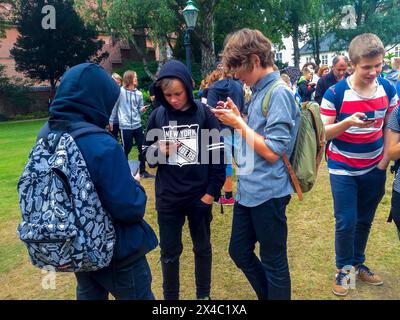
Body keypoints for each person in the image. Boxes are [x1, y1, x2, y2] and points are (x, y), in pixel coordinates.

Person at [44, 63, 158, 300]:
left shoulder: (46, 136)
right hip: (119, 253)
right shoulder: (100, 143)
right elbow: (129, 207)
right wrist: (135, 184)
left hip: (78, 247)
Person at [212, 28, 300, 300]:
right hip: (249, 190)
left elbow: (273, 151)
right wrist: (241, 119)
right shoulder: (259, 92)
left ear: (254, 59)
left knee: (274, 262)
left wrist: (239, 123)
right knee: (238, 251)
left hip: (269, 192)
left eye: (239, 70)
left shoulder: (279, 92)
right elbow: (258, 137)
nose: (237, 77)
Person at [320, 33, 399, 296]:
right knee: (346, 221)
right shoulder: (335, 93)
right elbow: (322, 134)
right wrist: (347, 123)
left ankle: (357, 262)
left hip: (374, 168)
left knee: (364, 220)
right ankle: (344, 270)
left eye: (378, 65)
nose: (374, 72)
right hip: (343, 170)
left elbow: (391, 124)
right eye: (367, 67)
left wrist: (384, 161)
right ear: (353, 63)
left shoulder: (388, 89)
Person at [143, 59, 226, 300]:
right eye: (168, 95)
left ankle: (203, 296)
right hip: (168, 199)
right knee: (169, 253)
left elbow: (218, 157)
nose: (174, 99)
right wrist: (159, 150)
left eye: (178, 93)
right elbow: (148, 159)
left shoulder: (204, 114)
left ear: (188, 90)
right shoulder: (157, 116)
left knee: (202, 249)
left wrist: (210, 194)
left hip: (199, 196)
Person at [203, 67, 245, 205]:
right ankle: (243, 192)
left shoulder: (213, 88)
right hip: (237, 127)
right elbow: (242, 108)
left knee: (225, 163)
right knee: (242, 162)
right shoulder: (239, 86)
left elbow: (210, 111)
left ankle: (228, 196)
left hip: (221, 129)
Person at [109, 70, 154, 179]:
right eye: (135, 77)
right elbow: (114, 108)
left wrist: (141, 109)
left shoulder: (139, 94)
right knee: (126, 149)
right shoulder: (120, 92)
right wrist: (110, 121)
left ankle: (143, 172)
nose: (136, 79)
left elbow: (139, 108)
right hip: (125, 127)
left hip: (137, 125)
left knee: (141, 148)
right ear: (129, 79)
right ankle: (124, 172)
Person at [108, 73, 123, 141]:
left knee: (125, 141)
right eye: (114, 82)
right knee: (113, 139)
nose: (116, 85)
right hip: (112, 122)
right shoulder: (107, 93)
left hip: (123, 121)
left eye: (118, 83)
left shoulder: (123, 93)